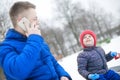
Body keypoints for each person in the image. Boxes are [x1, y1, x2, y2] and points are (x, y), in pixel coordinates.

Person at [0, 1, 72, 80]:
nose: (37, 22)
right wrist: (33, 39)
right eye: (34, 19)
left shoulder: (38, 41)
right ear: (22, 22)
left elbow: (53, 62)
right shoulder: (5, 47)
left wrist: (63, 75)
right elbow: (17, 72)